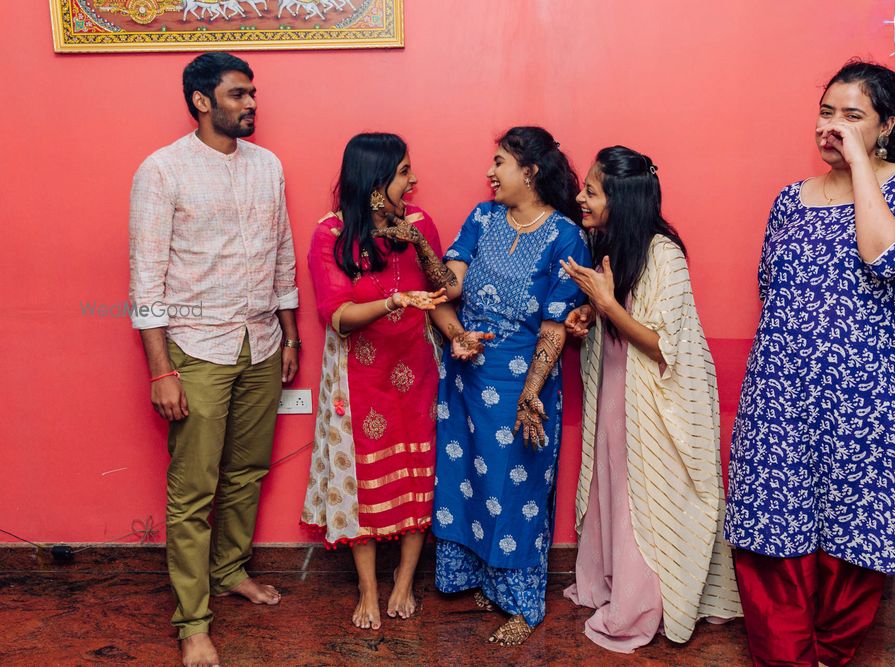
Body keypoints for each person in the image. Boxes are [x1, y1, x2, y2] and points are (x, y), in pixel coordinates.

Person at [724, 60, 895, 667]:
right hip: (782, 391)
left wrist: (862, 170)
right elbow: (773, 289)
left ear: (886, 125)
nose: (833, 127)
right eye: (827, 113)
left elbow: (884, 259)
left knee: (859, 524)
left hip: (865, 395)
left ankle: (832, 650)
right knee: (773, 523)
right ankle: (786, 654)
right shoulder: (789, 200)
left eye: (852, 116)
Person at [129, 52, 299, 667]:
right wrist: (161, 370)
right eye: (237, 94)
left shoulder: (268, 166)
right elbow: (146, 281)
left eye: (252, 94)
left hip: (262, 344)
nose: (251, 104)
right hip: (196, 350)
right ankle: (193, 622)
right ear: (202, 101)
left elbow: (282, 253)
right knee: (193, 490)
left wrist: (291, 335)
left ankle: (230, 569)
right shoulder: (162, 171)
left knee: (249, 471)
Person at [560, 146, 743, 653]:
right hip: (619, 387)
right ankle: (613, 584)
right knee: (616, 490)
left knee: (646, 498)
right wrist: (589, 318)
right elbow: (618, 316)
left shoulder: (665, 253)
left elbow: (666, 344)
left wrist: (605, 304)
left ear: (621, 198)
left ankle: (640, 606)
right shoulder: (611, 244)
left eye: (592, 191)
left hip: (656, 398)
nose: (581, 197)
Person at [430, 126, 591, 645]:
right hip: (466, 374)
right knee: (468, 481)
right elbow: (447, 290)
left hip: (524, 384)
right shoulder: (481, 218)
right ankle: (484, 580)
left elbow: (554, 325)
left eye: (499, 162)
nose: (489, 173)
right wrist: (457, 336)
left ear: (530, 171)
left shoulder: (566, 235)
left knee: (516, 487)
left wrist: (531, 393)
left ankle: (521, 602)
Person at [300, 133, 450, 631]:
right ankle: (367, 587)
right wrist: (395, 302)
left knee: (418, 474)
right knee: (357, 480)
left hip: (417, 368)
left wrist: (419, 246)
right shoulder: (331, 235)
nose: (414, 181)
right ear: (374, 181)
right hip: (357, 376)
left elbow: (444, 288)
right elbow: (337, 317)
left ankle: (404, 580)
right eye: (404, 172)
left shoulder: (418, 223)